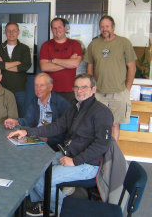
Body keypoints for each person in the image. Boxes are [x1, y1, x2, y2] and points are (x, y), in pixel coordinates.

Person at [7, 73, 113, 215]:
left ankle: (65, 210)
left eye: (84, 87)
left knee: (45, 180)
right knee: (33, 171)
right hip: (67, 154)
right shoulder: (75, 108)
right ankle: (46, 204)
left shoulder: (102, 112)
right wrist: (28, 132)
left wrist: (75, 161)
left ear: (94, 89)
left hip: (87, 164)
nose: (79, 90)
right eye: (76, 87)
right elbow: (56, 127)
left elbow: (101, 145)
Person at [85, 15, 137, 143]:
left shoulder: (124, 43)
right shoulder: (94, 44)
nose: (104, 29)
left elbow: (132, 67)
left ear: (113, 27)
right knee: (98, 125)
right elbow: (89, 68)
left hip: (118, 93)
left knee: (114, 124)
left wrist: (127, 88)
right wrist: (91, 89)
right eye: (102, 26)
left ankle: (112, 155)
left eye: (107, 26)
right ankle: (98, 155)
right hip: (99, 93)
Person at [4, 73, 70, 151]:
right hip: (35, 137)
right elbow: (29, 121)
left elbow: (65, 130)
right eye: (36, 85)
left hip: (53, 145)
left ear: (50, 87)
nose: (38, 89)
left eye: (42, 85)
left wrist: (48, 139)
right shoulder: (34, 101)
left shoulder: (61, 103)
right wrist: (15, 121)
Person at [0, 22, 31, 117]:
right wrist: (16, 63)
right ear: (5, 32)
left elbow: (25, 66)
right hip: (2, 88)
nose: (11, 33)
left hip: (19, 90)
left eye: (14, 30)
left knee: (18, 116)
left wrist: (4, 64)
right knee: (1, 115)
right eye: (8, 30)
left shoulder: (24, 48)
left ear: (18, 32)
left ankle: (17, 132)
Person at [40, 17, 82, 102]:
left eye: (59, 27)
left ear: (65, 28)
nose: (57, 30)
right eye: (54, 28)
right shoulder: (46, 45)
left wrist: (54, 60)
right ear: (52, 30)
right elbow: (44, 67)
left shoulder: (75, 44)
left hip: (70, 91)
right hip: (50, 91)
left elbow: (75, 64)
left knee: (69, 115)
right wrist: (68, 63)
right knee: (51, 115)